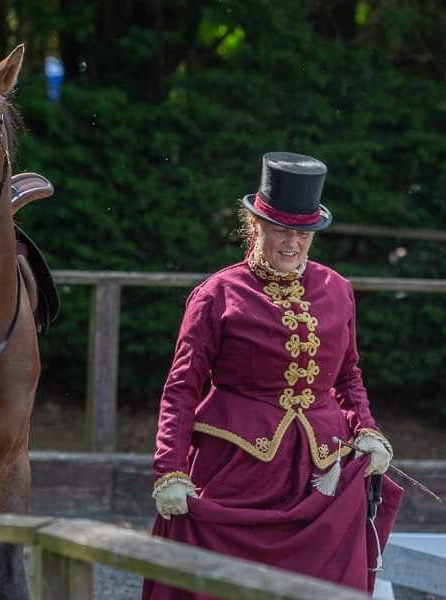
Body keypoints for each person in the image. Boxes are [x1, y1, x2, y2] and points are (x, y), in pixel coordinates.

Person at [143, 152, 403, 598]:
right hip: (235, 472)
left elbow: (347, 377)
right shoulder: (218, 294)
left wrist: (368, 429)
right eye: (281, 230)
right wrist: (169, 470)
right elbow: (182, 389)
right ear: (255, 226)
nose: (292, 243)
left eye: (303, 233)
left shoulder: (337, 289)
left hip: (318, 474)